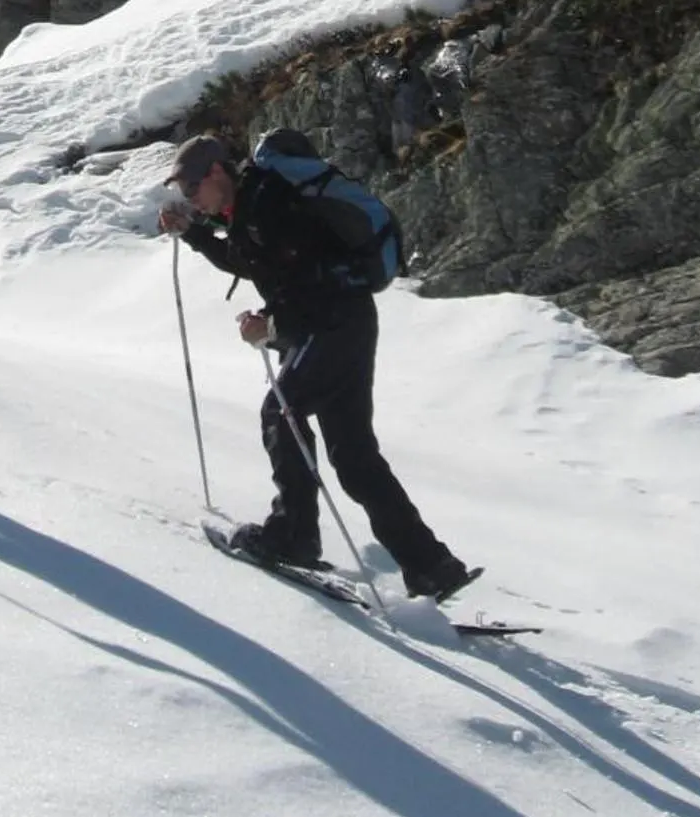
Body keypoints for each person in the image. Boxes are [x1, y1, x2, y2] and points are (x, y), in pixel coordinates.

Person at [158, 133, 473, 601]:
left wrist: (270, 324)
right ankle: (431, 566)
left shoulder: (268, 204)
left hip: (330, 324)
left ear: (217, 172)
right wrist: (195, 234)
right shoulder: (252, 208)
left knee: (281, 412)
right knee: (353, 454)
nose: (191, 199)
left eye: (191, 188)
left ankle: (294, 535)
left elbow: (307, 278)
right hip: (344, 322)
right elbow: (250, 259)